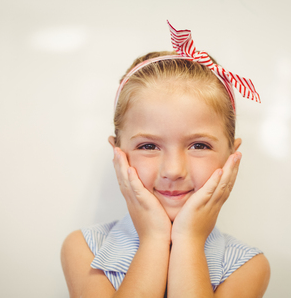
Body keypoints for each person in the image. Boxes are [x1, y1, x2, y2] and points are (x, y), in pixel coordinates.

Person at [61, 21, 270, 298]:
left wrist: (189, 239)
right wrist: (154, 238)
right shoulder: (85, 249)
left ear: (232, 157)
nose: (173, 170)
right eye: (149, 145)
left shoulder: (247, 266)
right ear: (117, 154)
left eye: (199, 145)